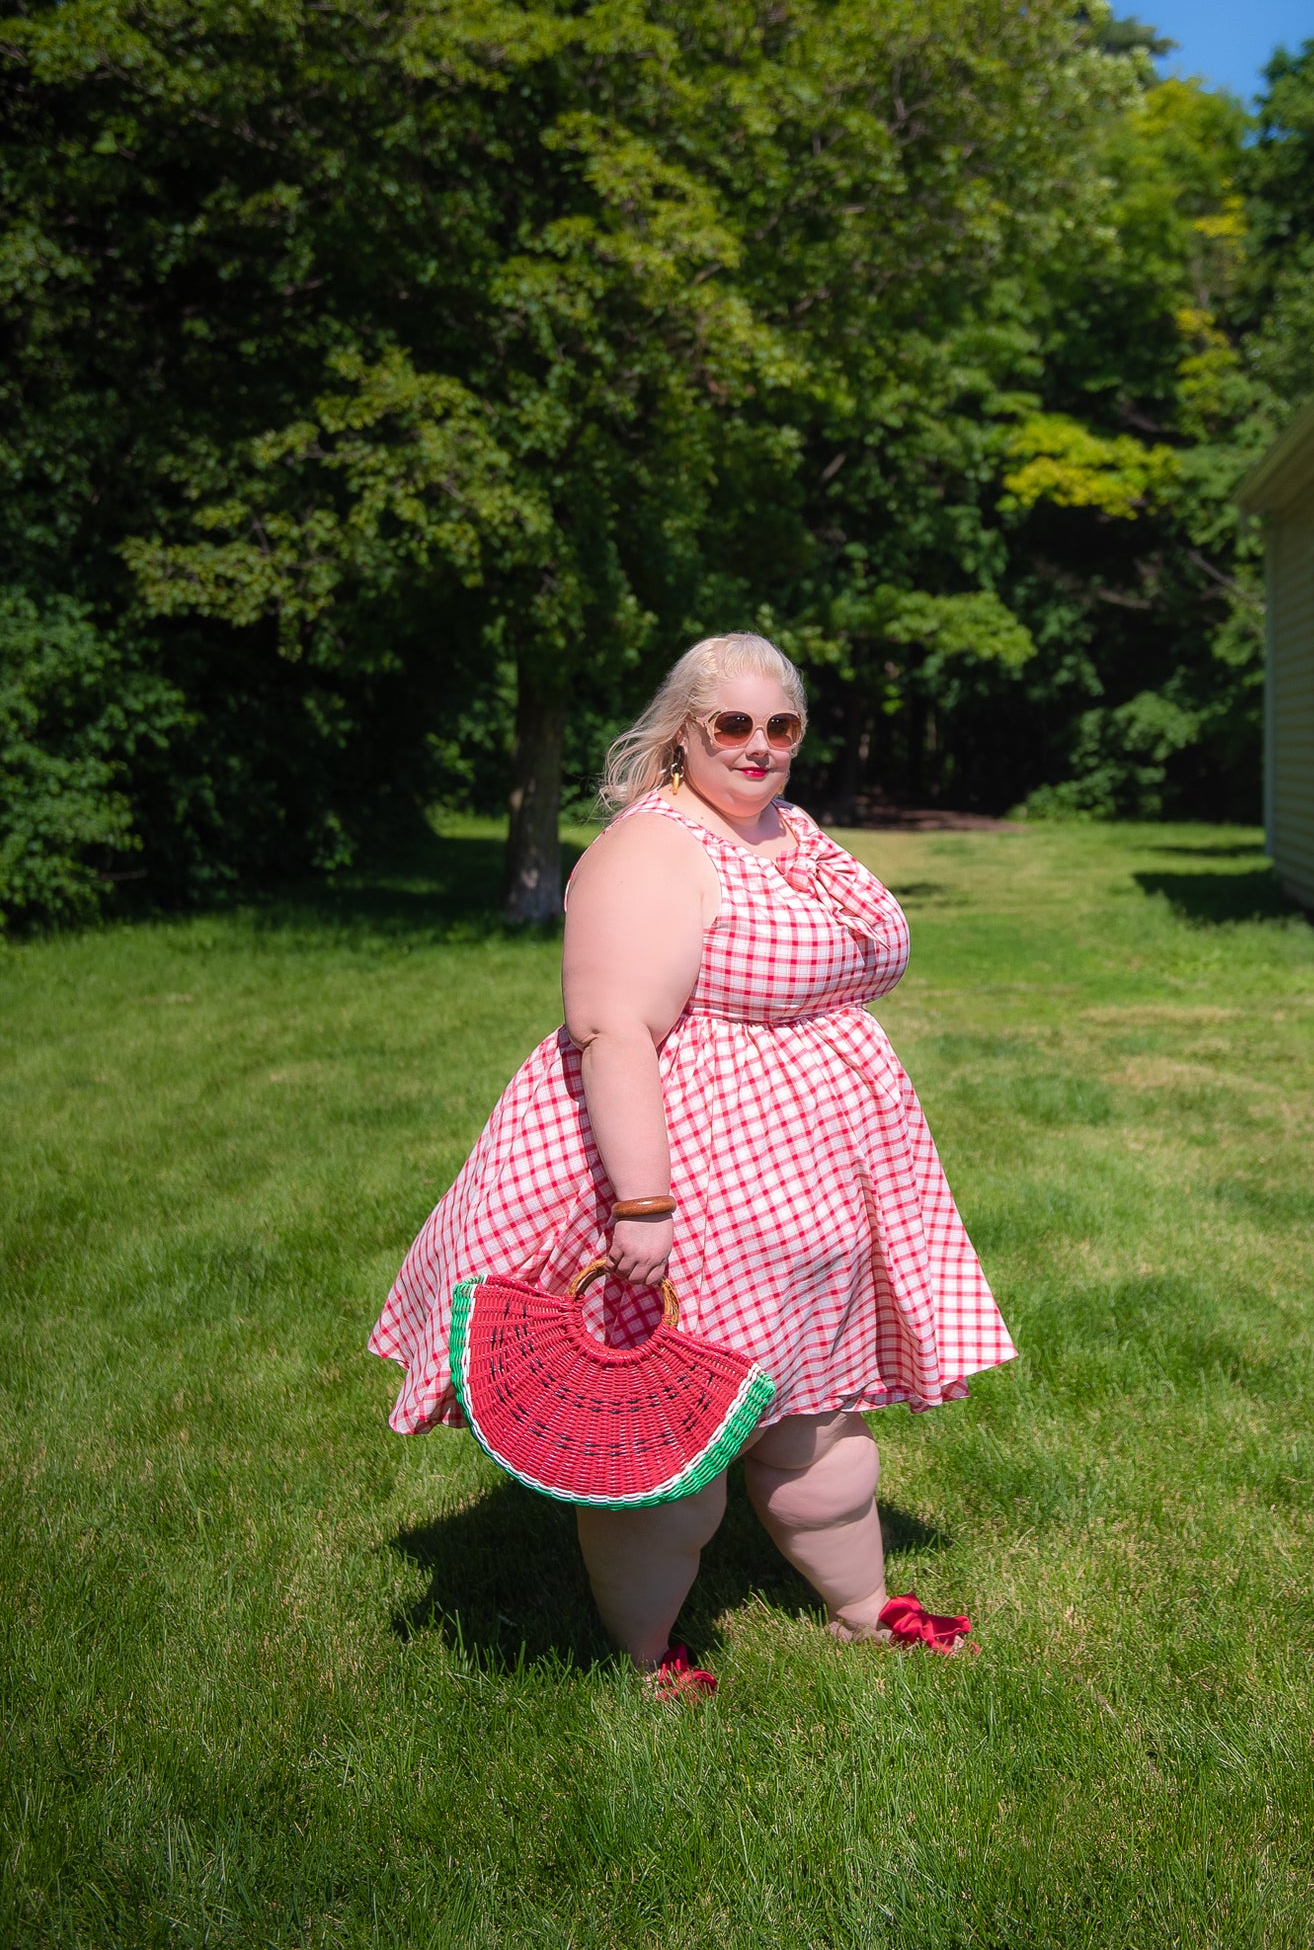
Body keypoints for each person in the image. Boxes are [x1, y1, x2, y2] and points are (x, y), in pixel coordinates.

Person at [369, 632, 1016, 1694]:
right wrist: (641, 1204)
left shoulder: (788, 834)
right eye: (732, 724)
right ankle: (644, 1651)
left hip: (817, 1188)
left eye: (781, 725)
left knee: (815, 1418)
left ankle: (860, 1609)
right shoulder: (653, 846)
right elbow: (612, 1027)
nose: (758, 746)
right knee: (676, 1442)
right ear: (682, 730)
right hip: (699, 1186)